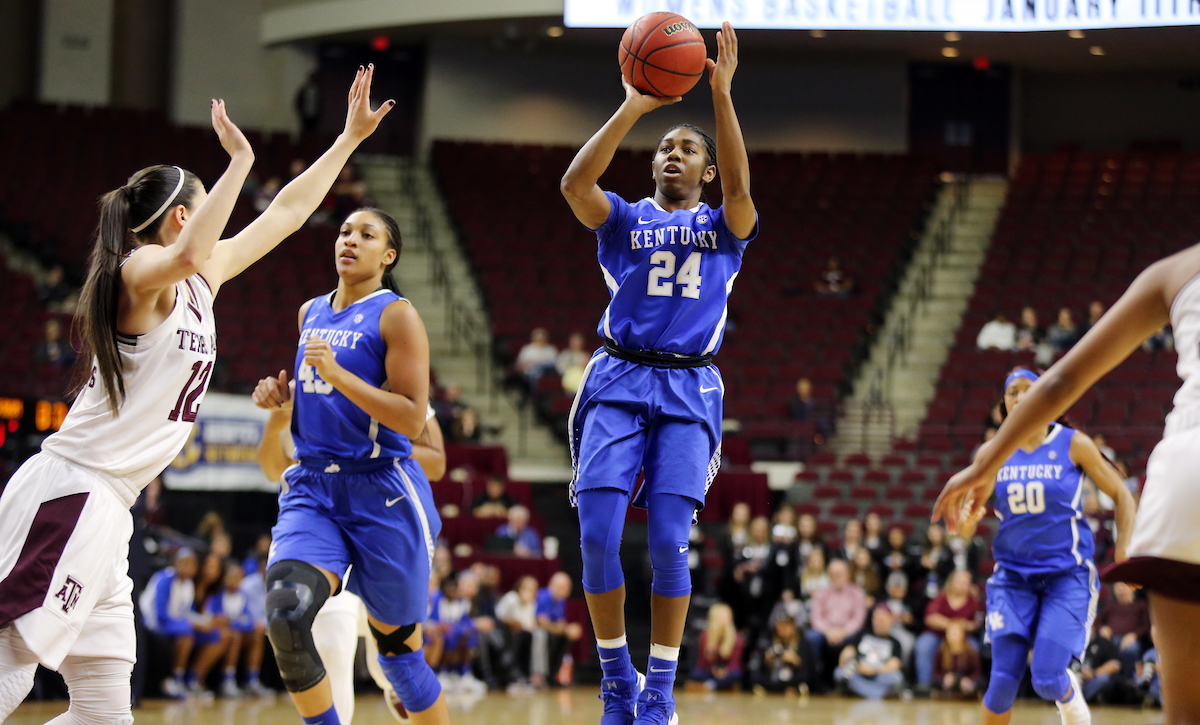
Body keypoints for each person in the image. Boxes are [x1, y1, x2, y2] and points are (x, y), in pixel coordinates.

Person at [0, 73, 392, 724]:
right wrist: (240, 161)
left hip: (110, 508)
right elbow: (184, 255)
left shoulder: (201, 278)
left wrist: (348, 139)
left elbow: (287, 213)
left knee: (103, 710)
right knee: (11, 661)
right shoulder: (135, 272)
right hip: (73, 491)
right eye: (208, 205)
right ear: (184, 217)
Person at [560, 22, 755, 725]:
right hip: (617, 378)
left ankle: (660, 690)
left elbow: (741, 188)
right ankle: (618, 678)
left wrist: (721, 96)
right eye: (665, 148)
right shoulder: (622, 219)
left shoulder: (725, 225)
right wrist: (634, 105)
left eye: (687, 149)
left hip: (689, 385)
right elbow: (574, 184)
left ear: (707, 171)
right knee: (596, 536)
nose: (673, 154)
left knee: (671, 539)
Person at [251, 191, 454, 725]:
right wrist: (281, 402)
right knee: (286, 616)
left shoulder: (397, 315)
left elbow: (411, 418)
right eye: (345, 231)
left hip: (381, 489)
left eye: (367, 235)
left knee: (399, 658)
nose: (350, 241)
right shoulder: (310, 311)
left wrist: (340, 376)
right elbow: (310, 395)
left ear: (388, 255)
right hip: (315, 485)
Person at [934, 367, 1139, 725]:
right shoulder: (992, 452)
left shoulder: (1073, 443)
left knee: (1046, 678)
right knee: (1001, 683)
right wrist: (965, 522)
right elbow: (968, 527)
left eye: (1029, 389)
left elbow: (1122, 494)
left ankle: (1072, 705)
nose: (1021, 397)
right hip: (1013, 578)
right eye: (1012, 392)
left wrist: (1123, 551)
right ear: (1004, 404)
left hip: (1066, 576)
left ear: (1046, 395)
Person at [255, 368, 447, 723]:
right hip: (323, 527)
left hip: (383, 520)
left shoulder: (390, 382)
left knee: (394, 660)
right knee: (330, 641)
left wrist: (363, 449)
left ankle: (396, 685)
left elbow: (437, 463)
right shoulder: (300, 390)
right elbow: (272, 470)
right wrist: (275, 424)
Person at [140, 550, 200, 698]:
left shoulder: (189, 584)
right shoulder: (164, 579)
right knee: (187, 631)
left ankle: (195, 680)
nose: (187, 568)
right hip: (153, 623)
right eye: (184, 563)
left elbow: (188, 612)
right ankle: (176, 680)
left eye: (191, 564)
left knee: (215, 634)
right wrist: (191, 623)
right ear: (175, 563)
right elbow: (160, 615)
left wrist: (204, 621)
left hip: (174, 624)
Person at [913, 569, 982, 690]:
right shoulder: (941, 597)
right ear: (952, 582)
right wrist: (953, 625)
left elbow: (976, 623)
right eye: (960, 582)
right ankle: (925, 687)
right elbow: (930, 618)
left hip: (962, 637)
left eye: (966, 583)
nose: (962, 585)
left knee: (974, 647)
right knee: (923, 646)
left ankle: (968, 685)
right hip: (937, 634)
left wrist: (960, 629)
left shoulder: (973, 601)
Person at [806, 559, 867, 685]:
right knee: (811, 637)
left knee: (858, 637)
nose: (836, 577)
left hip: (847, 632)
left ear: (847, 575)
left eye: (839, 574)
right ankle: (815, 678)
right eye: (833, 574)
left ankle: (848, 679)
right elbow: (816, 617)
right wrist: (828, 631)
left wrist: (843, 632)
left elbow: (858, 619)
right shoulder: (821, 593)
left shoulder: (857, 593)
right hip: (826, 631)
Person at [835, 606, 904, 700]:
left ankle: (861, 692)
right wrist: (858, 666)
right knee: (839, 672)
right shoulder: (862, 634)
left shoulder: (895, 642)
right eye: (875, 619)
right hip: (859, 672)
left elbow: (895, 664)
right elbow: (847, 653)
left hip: (879, 675)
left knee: (896, 678)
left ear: (890, 620)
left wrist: (874, 670)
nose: (877, 623)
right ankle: (879, 694)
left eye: (881, 619)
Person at [533, 573, 583, 689]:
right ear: (552, 585)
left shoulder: (560, 601)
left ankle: (553, 675)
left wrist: (568, 629)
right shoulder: (544, 596)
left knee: (565, 639)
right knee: (550, 637)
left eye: (567, 588)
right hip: (537, 631)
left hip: (552, 632)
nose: (566, 591)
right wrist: (565, 629)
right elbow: (541, 622)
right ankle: (542, 675)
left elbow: (560, 622)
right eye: (563, 587)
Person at [1093, 581, 1150, 676]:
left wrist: (1134, 635)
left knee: (1130, 650)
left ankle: (1129, 678)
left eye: (1124, 587)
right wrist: (1102, 628)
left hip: (1130, 640)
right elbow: (1097, 621)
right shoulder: (1110, 606)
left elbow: (1146, 626)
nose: (1121, 590)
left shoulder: (1141, 605)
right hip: (1110, 639)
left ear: (1132, 589)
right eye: (1118, 587)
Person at [495, 576, 539, 690]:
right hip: (503, 631)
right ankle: (511, 676)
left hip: (521, 634)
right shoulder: (511, 598)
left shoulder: (532, 603)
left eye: (532, 590)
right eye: (526, 588)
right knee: (517, 636)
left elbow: (529, 624)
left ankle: (526, 675)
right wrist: (512, 623)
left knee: (530, 636)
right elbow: (499, 616)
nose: (528, 592)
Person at [689, 603, 743, 692]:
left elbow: (735, 662)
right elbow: (702, 662)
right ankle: (716, 684)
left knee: (736, 674)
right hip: (709, 671)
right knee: (696, 673)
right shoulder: (705, 636)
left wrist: (725, 671)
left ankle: (711, 684)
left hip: (727, 672)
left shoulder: (736, 637)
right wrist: (714, 670)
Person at [751, 613, 810, 694]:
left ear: (793, 627)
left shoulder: (802, 644)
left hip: (792, 681)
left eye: (786, 626)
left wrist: (797, 661)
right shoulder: (770, 642)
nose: (782, 630)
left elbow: (809, 671)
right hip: (773, 681)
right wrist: (767, 661)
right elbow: (758, 669)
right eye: (780, 626)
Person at [932, 621, 981, 700]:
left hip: (966, 691)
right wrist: (944, 679)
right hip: (946, 691)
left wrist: (968, 680)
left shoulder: (971, 652)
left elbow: (977, 673)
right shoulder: (940, 651)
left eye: (955, 633)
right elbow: (935, 674)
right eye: (950, 633)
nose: (952, 637)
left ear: (962, 635)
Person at [1079, 627, 1123, 704]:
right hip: (1075, 679)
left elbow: (1115, 665)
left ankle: (1079, 699)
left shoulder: (1103, 643)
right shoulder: (1072, 645)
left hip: (1092, 680)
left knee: (1103, 678)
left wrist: (1094, 673)